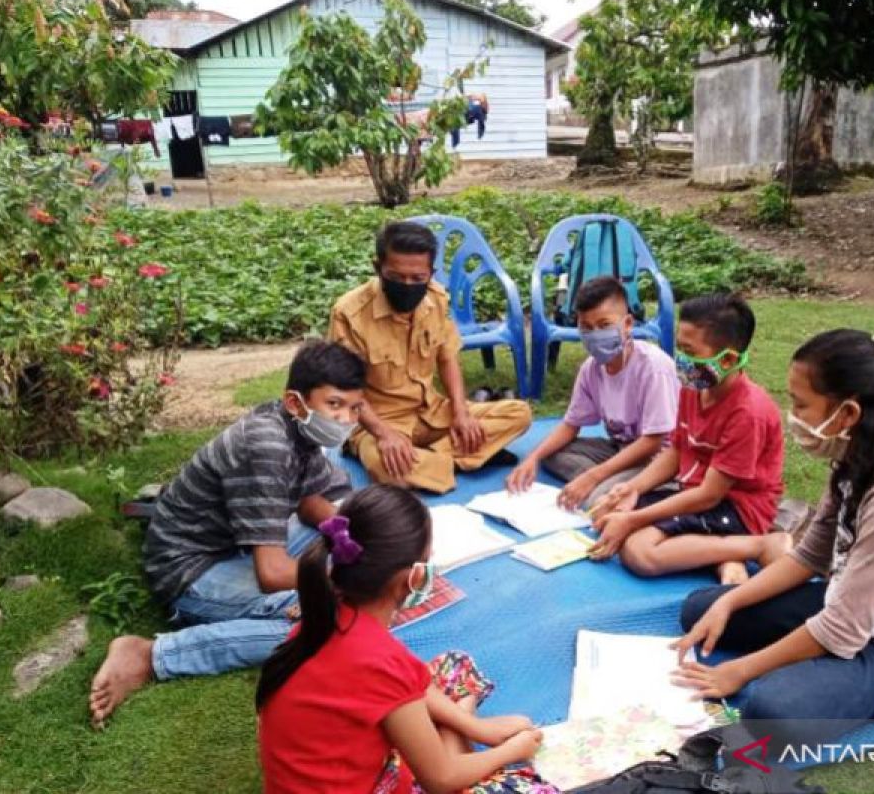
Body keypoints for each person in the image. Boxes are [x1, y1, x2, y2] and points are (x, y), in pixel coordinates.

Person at [672, 330, 874, 749]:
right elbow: (808, 558)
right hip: (851, 608)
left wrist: (740, 670)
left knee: (770, 710)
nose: (791, 414)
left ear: (847, 413)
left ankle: (813, 681)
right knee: (700, 610)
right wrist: (729, 601)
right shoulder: (854, 460)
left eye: (800, 404)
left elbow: (841, 629)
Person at [88, 341, 365, 728]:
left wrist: (346, 532)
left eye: (354, 408)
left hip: (236, 543)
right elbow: (271, 573)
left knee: (342, 540)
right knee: (323, 617)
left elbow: (310, 501)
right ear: (294, 402)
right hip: (190, 567)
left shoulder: (297, 429)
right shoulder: (267, 444)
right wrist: (350, 576)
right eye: (334, 405)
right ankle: (152, 655)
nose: (345, 419)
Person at [258, 485, 553, 794]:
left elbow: (407, 682)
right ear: (409, 579)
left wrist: (478, 729)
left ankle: (452, 736)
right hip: (387, 780)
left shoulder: (322, 621)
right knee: (532, 789)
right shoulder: (379, 660)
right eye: (427, 561)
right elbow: (439, 779)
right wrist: (513, 750)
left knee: (455, 665)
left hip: (344, 766)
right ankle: (451, 744)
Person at [589, 293, 789, 581]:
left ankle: (759, 545)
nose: (680, 359)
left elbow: (710, 495)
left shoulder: (749, 412)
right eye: (678, 348)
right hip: (694, 495)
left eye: (688, 350)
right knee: (607, 512)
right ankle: (724, 556)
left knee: (639, 552)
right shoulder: (694, 387)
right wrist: (632, 488)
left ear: (729, 358)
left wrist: (633, 519)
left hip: (736, 509)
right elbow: (676, 451)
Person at [330, 221, 532, 494]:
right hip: (380, 424)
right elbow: (345, 391)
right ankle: (465, 457)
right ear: (378, 268)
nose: (407, 285)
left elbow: (448, 359)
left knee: (519, 413)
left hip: (433, 412)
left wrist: (461, 414)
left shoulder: (436, 298)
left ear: (431, 273)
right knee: (385, 467)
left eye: (417, 278)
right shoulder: (349, 312)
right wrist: (384, 434)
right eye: (397, 277)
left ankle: (427, 461)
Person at [505, 276, 679, 510]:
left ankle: (626, 486)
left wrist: (593, 476)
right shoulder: (592, 368)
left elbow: (653, 441)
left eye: (605, 325)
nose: (595, 334)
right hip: (621, 448)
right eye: (586, 327)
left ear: (627, 324)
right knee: (550, 452)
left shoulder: (654, 367)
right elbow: (571, 424)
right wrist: (532, 458)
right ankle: (609, 481)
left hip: (659, 459)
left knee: (596, 500)